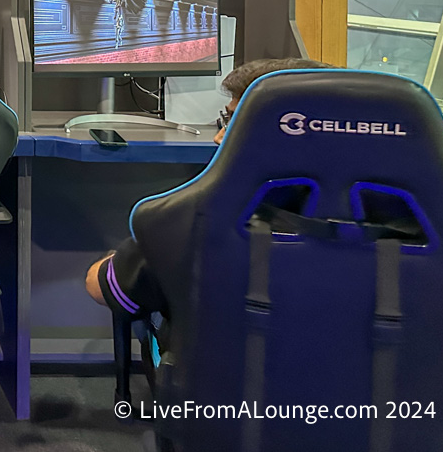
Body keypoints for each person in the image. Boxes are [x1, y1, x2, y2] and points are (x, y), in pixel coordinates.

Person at [84, 57, 333, 329]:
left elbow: (100, 287)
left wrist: (115, 259)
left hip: (231, 370)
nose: (218, 136)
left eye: (235, 121)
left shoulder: (198, 218)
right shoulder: (382, 223)